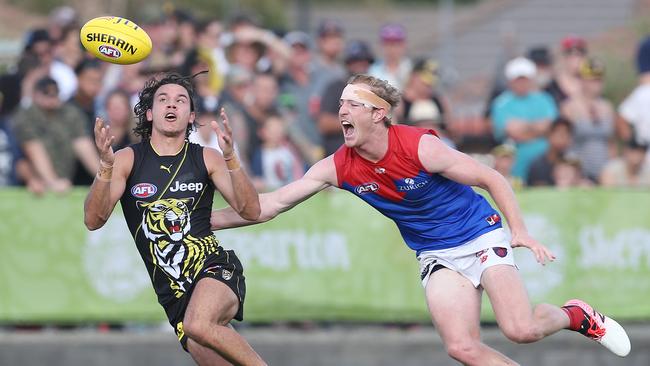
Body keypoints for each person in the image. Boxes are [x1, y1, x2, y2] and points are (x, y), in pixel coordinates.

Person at [211, 74, 631, 364]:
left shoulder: (419, 147)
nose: (340, 111)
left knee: (520, 329)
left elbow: (490, 176)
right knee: (462, 349)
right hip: (436, 253)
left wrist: (518, 230)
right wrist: (202, 219)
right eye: (339, 104)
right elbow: (266, 206)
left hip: (479, 236)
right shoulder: (338, 165)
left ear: (377, 113)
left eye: (350, 104)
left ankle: (577, 315)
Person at [83, 73, 266, 366]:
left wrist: (231, 158)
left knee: (198, 323)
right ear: (150, 113)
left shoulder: (208, 158)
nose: (172, 105)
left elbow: (251, 210)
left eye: (181, 101)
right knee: (196, 331)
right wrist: (105, 166)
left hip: (214, 268)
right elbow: (94, 220)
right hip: (174, 298)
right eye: (163, 100)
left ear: (191, 115)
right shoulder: (127, 159)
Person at [490, 57, 558, 181]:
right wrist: (537, 129)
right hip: (515, 161)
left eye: (525, 79)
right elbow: (513, 131)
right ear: (510, 81)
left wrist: (524, 127)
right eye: (518, 80)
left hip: (544, 160)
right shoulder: (501, 103)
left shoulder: (544, 99)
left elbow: (550, 127)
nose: (522, 83)